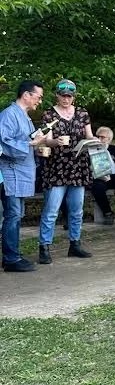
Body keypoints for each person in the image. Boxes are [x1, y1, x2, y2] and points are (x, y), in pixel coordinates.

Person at [37, 79, 94, 264]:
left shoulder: (82, 113)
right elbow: (47, 140)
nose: (66, 99)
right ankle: (44, 246)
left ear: (73, 97)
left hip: (78, 166)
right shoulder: (48, 115)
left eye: (69, 96)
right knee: (51, 210)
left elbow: (89, 135)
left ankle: (75, 243)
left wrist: (95, 141)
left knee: (77, 210)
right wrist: (56, 142)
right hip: (57, 167)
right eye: (63, 96)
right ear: (57, 95)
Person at [0, 80, 45, 272]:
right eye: (38, 97)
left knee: (17, 214)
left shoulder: (24, 116)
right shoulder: (9, 115)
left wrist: (38, 145)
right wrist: (31, 144)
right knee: (12, 214)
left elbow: (26, 141)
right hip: (11, 172)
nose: (39, 101)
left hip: (21, 171)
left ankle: (13, 255)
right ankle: (11, 258)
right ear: (26, 95)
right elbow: (4, 143)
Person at [90, 127, 115, 225]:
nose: (99, 139)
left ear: (109, 139)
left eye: (102, 137)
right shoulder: (92, 150)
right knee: (97, 187)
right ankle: (108, 213)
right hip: (100, 178)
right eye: (98, 137)